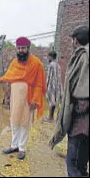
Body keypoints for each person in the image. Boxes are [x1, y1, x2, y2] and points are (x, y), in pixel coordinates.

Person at [0, 37, 47, 160]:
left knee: (25, 122)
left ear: (28, 48)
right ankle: (14, 145)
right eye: (18, 48)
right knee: (14, 120)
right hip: (15, 97)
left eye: (23, 48)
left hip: (29, 98)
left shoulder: (36, 63)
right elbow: (5, 78)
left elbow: (39, 84)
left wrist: (35, 100)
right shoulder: (14, 62)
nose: (20, 50)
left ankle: (22, 148)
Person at [49, 26, 89, 177]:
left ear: (76, 40)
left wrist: (75, 108)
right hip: (84, 122)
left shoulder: (83, 57)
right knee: (82, 164)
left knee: (73, 163)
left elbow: (83, 90)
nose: (71, 42)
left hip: (81, 123)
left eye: (72, 39)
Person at [42, 50, 63, 122]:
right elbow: (59, 77)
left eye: (48, 57)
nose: (48, 58)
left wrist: (46, 86)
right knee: (54, 101)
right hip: (58, 86)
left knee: (51, 101)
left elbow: (49, 77)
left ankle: (50, 117)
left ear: (51, 57)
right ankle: (53, 117)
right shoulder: (58, 65)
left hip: (51, 86)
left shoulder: (51, 65)